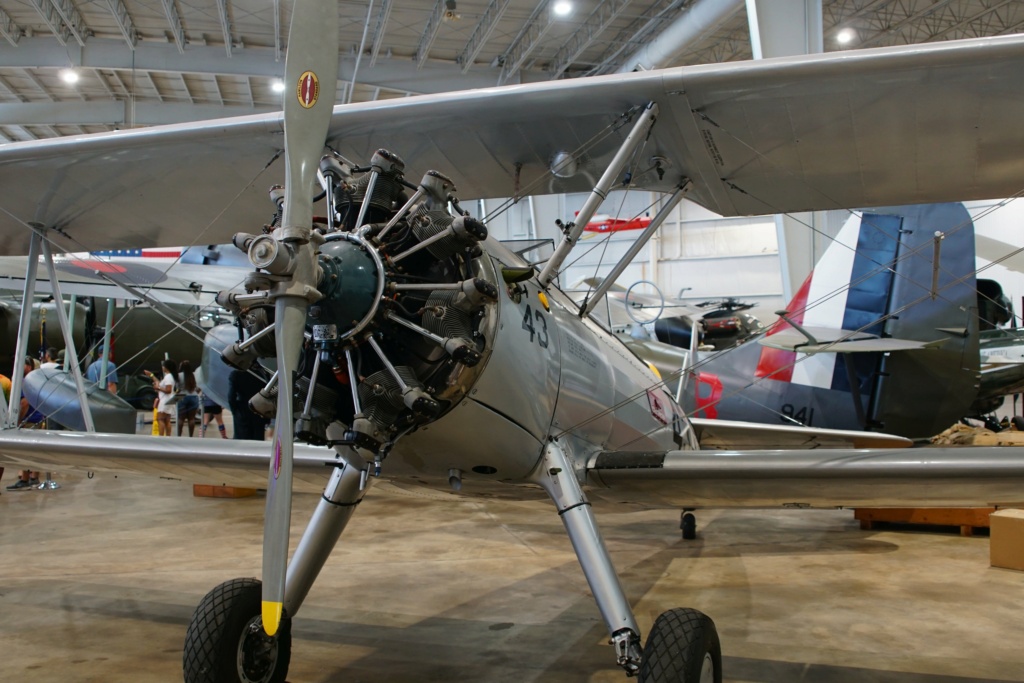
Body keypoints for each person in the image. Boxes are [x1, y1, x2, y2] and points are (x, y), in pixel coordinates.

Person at [7, 357, 43, 491]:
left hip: (28, 420)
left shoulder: (24, 382)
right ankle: (34, 477)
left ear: (28, 366)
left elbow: (24, 403)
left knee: (25, 451)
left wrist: (19, 421)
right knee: (36, 451)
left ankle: (25, 479)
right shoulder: (37, 382)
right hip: (38, 417)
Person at [228, 369, 268, 440]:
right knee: (257, 441)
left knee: (241, 442)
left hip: (242, 411)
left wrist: (235, 411)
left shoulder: (236, 374)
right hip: (259, 410)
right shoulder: (262, 374)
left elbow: (231, 397)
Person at [149, 359, 178, 437]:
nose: (162, 367)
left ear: (166, 367)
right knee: (167, 420)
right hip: (169, 400)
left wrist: (158, 388)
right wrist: (151, 376)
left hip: (165, 400)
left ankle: (161, 437)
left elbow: (168, 390)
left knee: (160, 419)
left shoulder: (168, 377)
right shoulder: (171, 376)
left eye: (163, 366)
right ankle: (168, 436)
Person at [176, 360, 200, 437]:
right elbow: (199, 387)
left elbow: (177, 388)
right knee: (191, 419)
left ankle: (179, 435)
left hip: (182, 396)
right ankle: (191, 436)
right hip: (193, 396)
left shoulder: (179, 375)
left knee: (181, 419)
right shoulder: (194, 375)